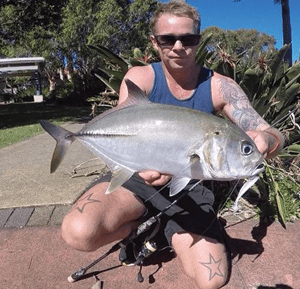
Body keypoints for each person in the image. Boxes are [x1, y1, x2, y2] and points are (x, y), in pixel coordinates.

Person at [61, 2, 284, 288]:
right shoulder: (140, 78)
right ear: (155, 42)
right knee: (78, 232)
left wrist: (267, 139)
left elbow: (270, 132)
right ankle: (139, 227)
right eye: (168, 39)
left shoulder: (220, 86)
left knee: (212, 279)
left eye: (188, 39)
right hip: (137, 177)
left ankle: (166, 228)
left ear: (198, 41)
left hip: (190, 186)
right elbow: (121, 133)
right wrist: (137, 169)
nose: (178, 46)